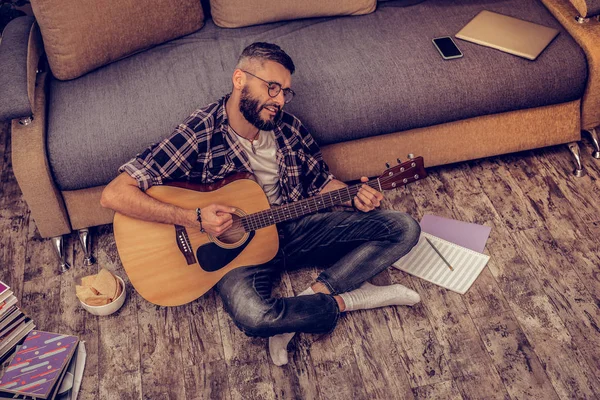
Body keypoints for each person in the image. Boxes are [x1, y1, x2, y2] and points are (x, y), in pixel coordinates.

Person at [101, 42, 422, 366]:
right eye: (272, 88)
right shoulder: (201, 131)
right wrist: (194, 217)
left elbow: (323, 182)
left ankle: (312, 298)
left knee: (404, 228)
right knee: (254, 316)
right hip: (236, 253)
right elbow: (114, 194)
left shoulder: (290, 129)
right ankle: (350, 300)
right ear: (240, 79)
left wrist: (353, 194)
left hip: (296, 230)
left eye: (285, 92)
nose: (280, 100)